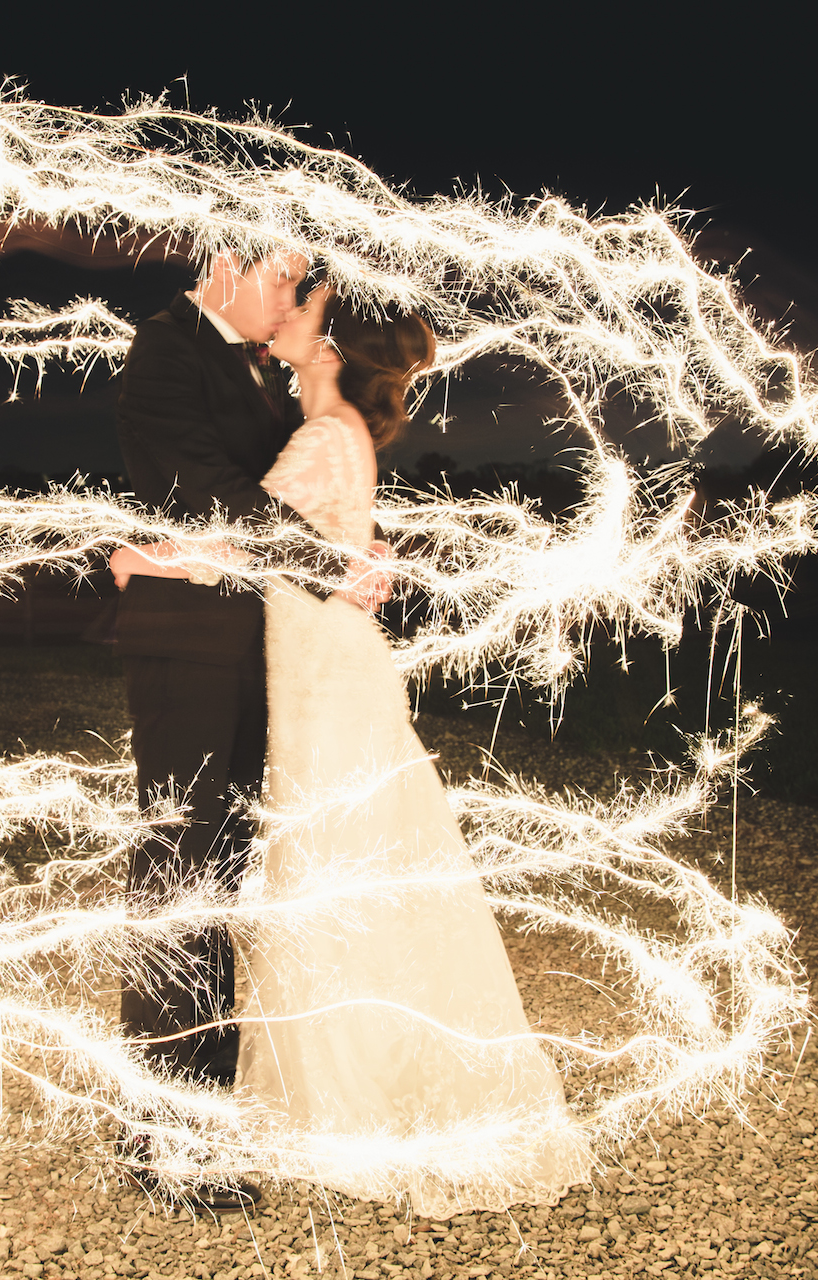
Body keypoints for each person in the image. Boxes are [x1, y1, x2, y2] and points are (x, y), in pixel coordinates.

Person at [113, 283, 593, 1215]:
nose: (292, 302)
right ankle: (327, 1098)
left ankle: (355, 1103)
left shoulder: (325, 435)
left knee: (329, 865)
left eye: (310, 301)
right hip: (310, 664)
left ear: (328, 344)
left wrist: (142, 560)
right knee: (323, 866)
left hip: (319, 673)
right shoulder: (322, 427)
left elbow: (253, 542)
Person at [111, 253, 391, 1209]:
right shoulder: (165, 349)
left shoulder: (260, 368)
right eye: (282, 278)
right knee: (179, 880)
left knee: (223, 880)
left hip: (261, 652)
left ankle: (210, 1111)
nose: (290, 300)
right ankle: (166, 1146)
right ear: (223, 263)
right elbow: (212, 491)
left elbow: (276, 494)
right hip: (190, 653)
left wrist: (355, 544)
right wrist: (330, 560)